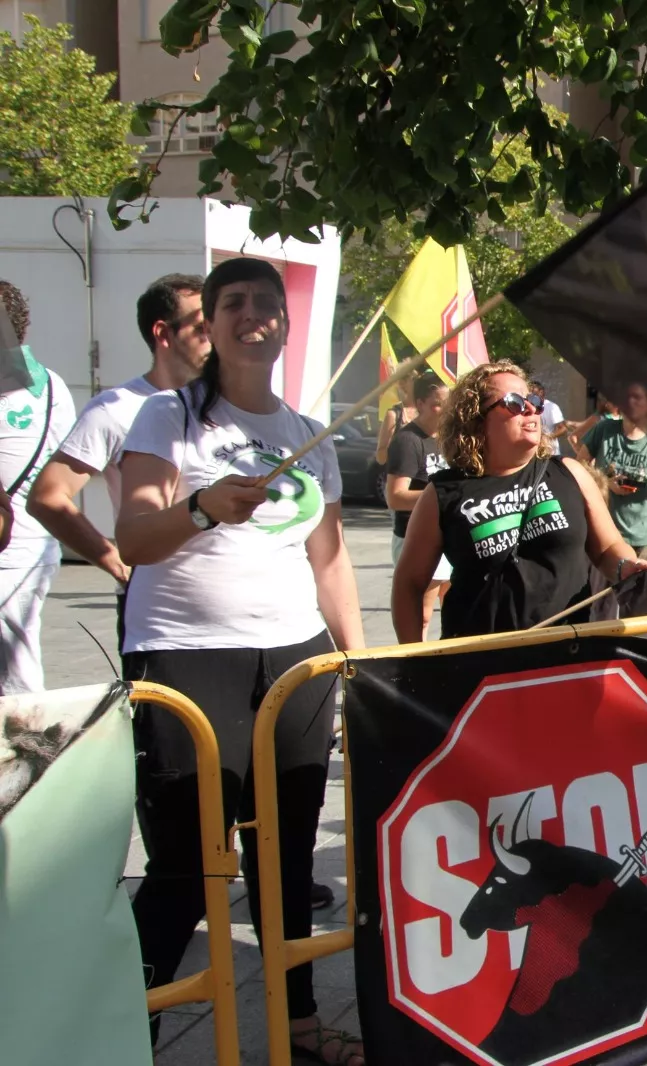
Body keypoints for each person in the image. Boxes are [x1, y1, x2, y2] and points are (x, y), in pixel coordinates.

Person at [115, 257, 364, 1062]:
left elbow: (330, 562)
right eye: (234, 303)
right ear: (209, 325)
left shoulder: (307, 433)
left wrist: (360, 662)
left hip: (294, 659)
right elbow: (133, 538)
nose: (253, 314)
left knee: (285, 858)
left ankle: (298, 1025)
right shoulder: (168, 415)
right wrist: (201, 508)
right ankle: (125, 1028)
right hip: (186, 658)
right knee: (187, 865)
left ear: (285, 325)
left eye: (267, 303)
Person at [392, 362, 647, 640]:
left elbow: (608, 548)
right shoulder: (442, 492)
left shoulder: (570, 472)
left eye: (534, 401)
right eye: (514, 402)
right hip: (480, 659)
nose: (530, 409)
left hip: (568, 653)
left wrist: (626, 566)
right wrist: (414, 659)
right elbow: (409, 584)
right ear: (476, 420)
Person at [29, 273, 208, 597]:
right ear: (163, 333)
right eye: (201, 328)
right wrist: (114, 560)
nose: (215, 338)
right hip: (156, 606)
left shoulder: (228, 404)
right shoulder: (117, 408)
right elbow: (48, 496)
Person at [0, 279, 76, 694]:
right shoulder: (51, 384)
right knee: (18, 660)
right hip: (36, 544)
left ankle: (27, 733)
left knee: (15, 675)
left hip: (9, 550)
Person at [575, 381, 647, 617]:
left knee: (636, 610)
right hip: (603, 539)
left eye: (639, 399)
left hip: (641, 540)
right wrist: (605, 483)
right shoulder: (604, 430)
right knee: (599, 609)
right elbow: (579, 467)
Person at [385, 372, 451, 635]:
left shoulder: (449, 438)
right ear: (420, 403)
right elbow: (395, 496)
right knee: (421, 616)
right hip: (417, 538)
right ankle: (416, 658)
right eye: (438, 403)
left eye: (448, 402)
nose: (445, 409)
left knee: (455, 610)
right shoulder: (408, 440)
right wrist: (442, 498)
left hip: (449, 536)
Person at [374, 372, 415, 466]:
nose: (421, 383)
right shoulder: (394, 415)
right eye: (415, 379)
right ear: (402, 383)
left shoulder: (429, 411)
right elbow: (380, 457)